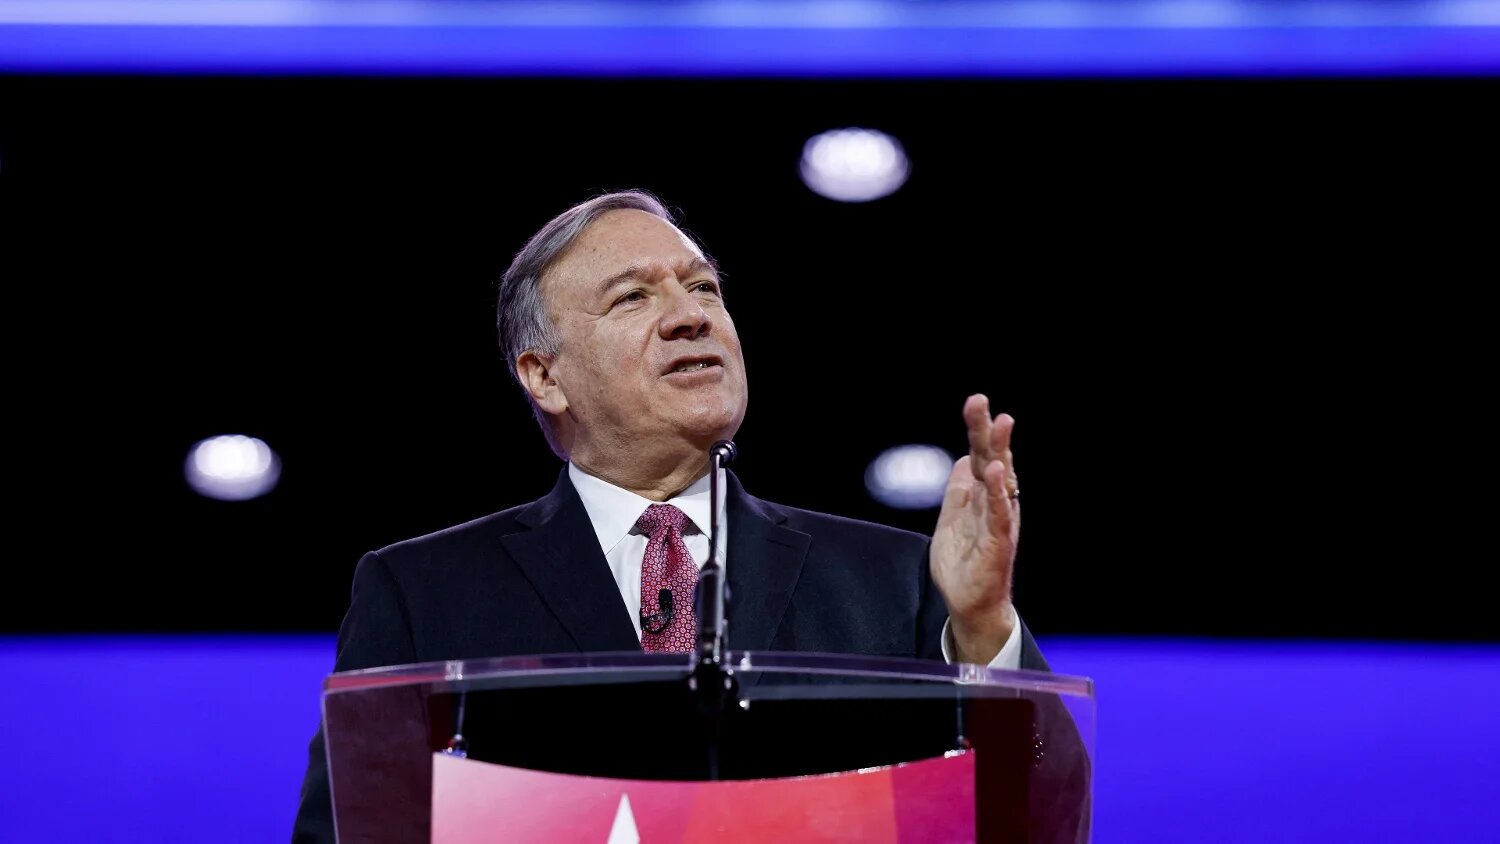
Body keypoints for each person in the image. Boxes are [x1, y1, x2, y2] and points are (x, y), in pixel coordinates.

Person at [291, 189, 1058, 843]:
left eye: (704, 289)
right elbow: (355, 830)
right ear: (543, 374)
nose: (690, 316)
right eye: (633, 296)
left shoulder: (895, 579)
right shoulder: (423, 591)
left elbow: (1035, 811)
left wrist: (987, 628)